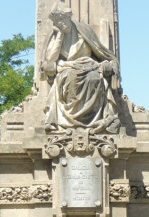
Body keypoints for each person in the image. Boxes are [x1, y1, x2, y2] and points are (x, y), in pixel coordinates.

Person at [42, 5, 120, 133]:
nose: (59, 23)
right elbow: (50, 60)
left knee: (94, 78)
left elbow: (101, 52)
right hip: (67, 70)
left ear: (68, 18)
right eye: (57, 21)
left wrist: (110, 63)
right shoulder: (56, 35)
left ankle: (93, 120)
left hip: (89, 67)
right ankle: (69, 121)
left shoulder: (84, 31)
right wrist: (60, 36)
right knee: (70, 78)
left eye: (61, 19)